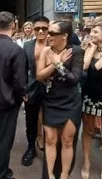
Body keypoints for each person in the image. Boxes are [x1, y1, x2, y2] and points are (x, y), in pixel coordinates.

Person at [36, 20, 84, 179]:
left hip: (71, 101)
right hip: (51, 100)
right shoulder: (46, 51)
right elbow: (39, 75)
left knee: (67, 140)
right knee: (50, 139)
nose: (47, 36)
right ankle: (50, 175)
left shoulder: (76, 51)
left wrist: (60, 65)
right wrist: (57, 64)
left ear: (64, 35)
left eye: (52, 33)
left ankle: (64, 175)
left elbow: (74, 79)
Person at [0, 11, 28, 179]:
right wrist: (22, 95)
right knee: (3, 142)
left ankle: (0, 171)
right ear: (13, 25)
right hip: (7, 102)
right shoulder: (16, 50)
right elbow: (20, 81)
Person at [81, 14, 102, 179]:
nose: (91, 34)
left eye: (95, 32)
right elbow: (84, 67)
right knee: (87, 130)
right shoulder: (87, 48)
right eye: (91, 31)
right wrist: (91, 48)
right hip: (89, 96)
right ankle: (86, 161)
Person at [21, 16, 49, 167]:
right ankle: (31, 148)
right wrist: (23, 89)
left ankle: (50, 148)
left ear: (48, 28)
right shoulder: (27, 46)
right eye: (37, 28)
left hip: (50, 89)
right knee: (30, 121)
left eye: (44, 28)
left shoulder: (53, 43)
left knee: (51, 120)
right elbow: (22, 69)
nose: (40, 31)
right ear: (33, 29)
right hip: (31, 87)